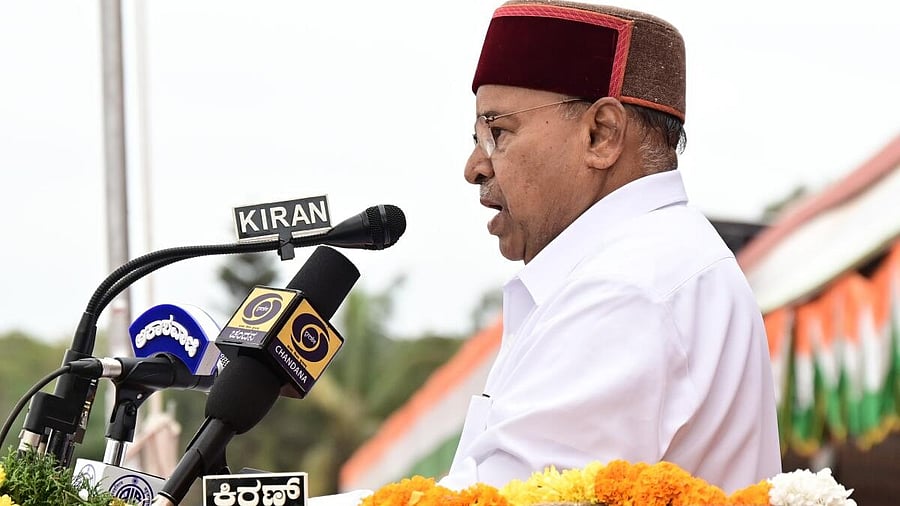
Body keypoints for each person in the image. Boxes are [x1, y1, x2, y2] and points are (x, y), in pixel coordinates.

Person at [436, 0, 782, 495]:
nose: (475, 166)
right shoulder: (649, 264)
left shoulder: (627, 288)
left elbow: (500, 500)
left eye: (498, 132)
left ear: (601, 134)